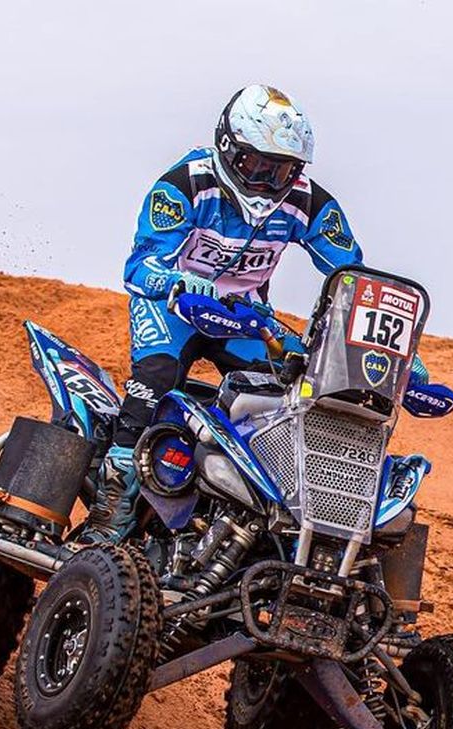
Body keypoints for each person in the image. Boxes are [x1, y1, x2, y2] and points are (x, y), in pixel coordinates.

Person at [83, 84, 363, 542]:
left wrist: (385, 341)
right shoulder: (186, 183)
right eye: (259, 165)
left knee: (293, 390)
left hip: (244, 315)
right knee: (154, 378)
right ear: (230, 149)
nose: (270, 181)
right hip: (174, 305)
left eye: (284, 169)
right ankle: (110, 513)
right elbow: (140, 266)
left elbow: (351, 275)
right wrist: (175, 280)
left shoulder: (308, 202)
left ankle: (246, 514)